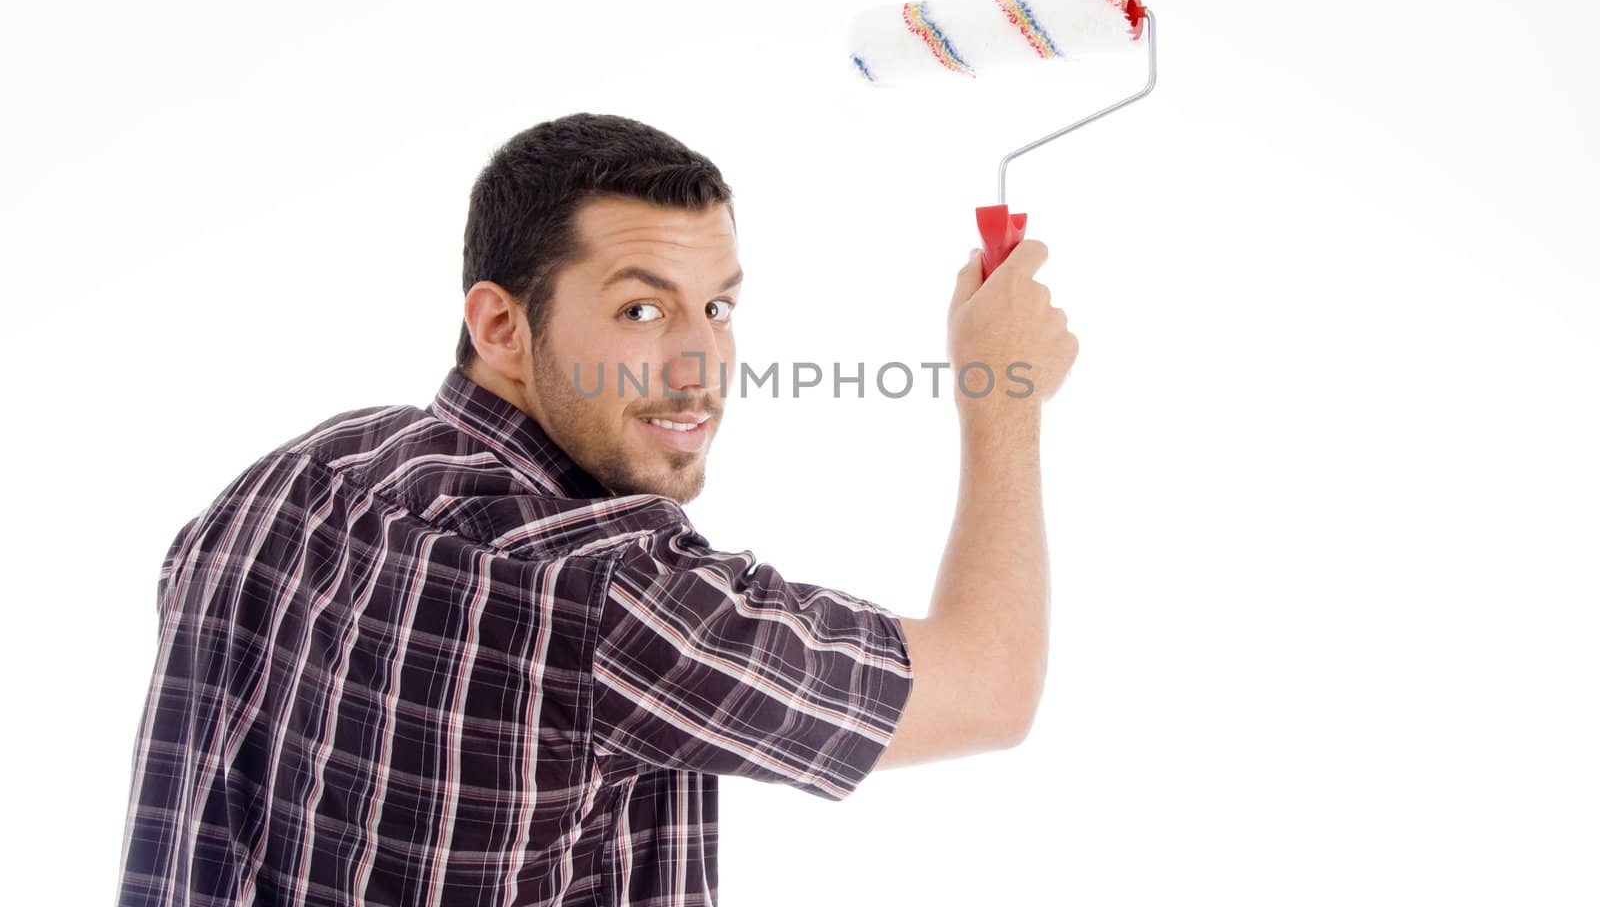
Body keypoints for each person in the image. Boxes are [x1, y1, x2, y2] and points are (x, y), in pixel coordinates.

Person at [115, 113, 1077, 906]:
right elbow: (990, 689)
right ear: (500, 326)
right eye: (640, 312)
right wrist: (1005, 400)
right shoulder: (607, 593)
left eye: (720, 309)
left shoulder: (283, 483)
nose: (700, 367)